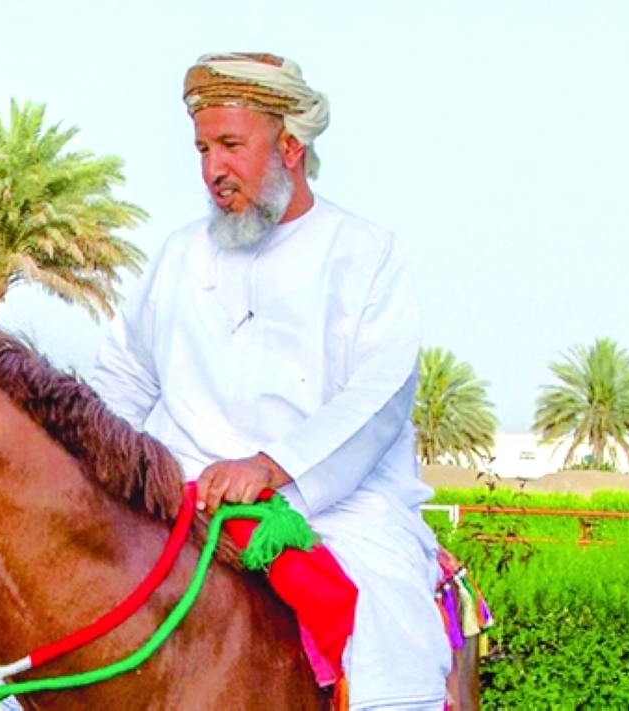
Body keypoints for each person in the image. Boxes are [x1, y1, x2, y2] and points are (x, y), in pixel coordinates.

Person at [89, 52, 451, 709]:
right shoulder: (179, 254)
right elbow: (124, 375)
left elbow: (380, 395)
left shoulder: (365, 253)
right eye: (203, 149)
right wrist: (97, 465)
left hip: (334, 507)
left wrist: (271, 467)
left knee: (390, 652)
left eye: (230, 146)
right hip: (180, 497)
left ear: (290, 146)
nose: (213, 170)